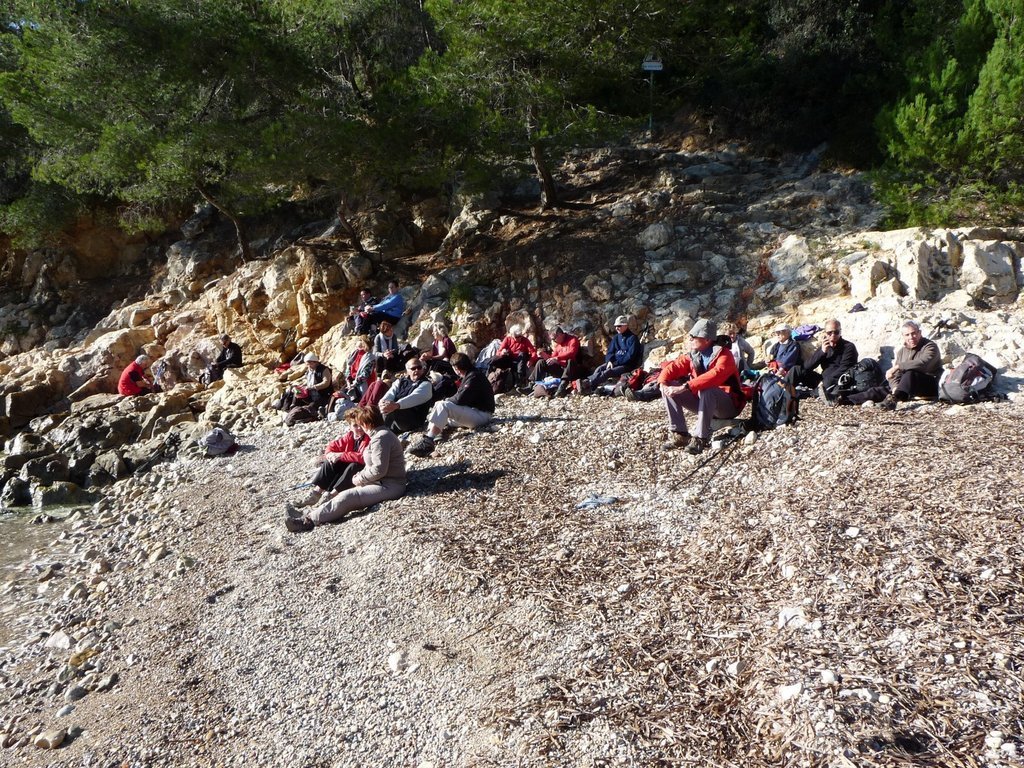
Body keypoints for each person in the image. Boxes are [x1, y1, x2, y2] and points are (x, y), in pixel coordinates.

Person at [285, 406, 406, 532]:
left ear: (366, 423)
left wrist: (360, 478)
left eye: (360, 423)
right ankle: (308, 514)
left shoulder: (381, 438)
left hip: (390, 485)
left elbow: (379, 470)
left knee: (347, 496)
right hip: (380, 482)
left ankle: (308, 521)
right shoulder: (379, 435)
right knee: (343, 494)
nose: (359, 427)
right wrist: (361, 476)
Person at [658, 319, 746, 455]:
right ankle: (680, 434)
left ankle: (700, 438)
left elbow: (714, 375)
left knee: (707, 389)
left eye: (694, 337)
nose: (690, 339)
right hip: (704, 402)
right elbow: (674, 367)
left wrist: (685, 386)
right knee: (669, 386)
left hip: (729, 406)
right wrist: (662, 382)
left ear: (706, 339)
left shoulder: (725, 355)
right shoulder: (694, 354)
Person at [408, 352, 495, 456]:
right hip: (476, 412)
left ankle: (429, 439)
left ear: (456, 368)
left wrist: (446, 400)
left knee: (443, 406)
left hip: (482, 415)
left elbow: (460, 399)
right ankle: (434, 434)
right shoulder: (472, 374)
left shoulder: (473, 377)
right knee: (438, 410)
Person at [843, 320, 942, 409]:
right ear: (903, 336)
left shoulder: (930, 346)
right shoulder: (902, 352)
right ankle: (846, 399)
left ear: (919, 333)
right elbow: (895, 375)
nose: (911, 337)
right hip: (906, 386)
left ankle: (893, 400)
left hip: (929, 384)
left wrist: (898, 366)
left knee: (910, 373)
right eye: (907, 335)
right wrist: (895, 387)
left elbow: (923, 363)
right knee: (878, 390)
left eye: (914, 333)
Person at [294, 408, 371, 508]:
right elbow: (332, 446)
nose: (359, 428)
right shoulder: (350, 436)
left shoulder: (368, 438)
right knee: (331, 462)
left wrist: (341, 455)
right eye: (355, 425)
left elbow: (363, 457)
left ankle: (331, 495)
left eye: (361, 425)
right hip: (349, 465)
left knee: (354, 465)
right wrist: (330, 455)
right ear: (350, 427)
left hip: (362, 468)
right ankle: (316, 493)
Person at [790, 318, 858, 401]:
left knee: (830, 382)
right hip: (822, 380)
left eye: (836, 332)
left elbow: (845, 369)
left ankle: (808, 394)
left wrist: (826, 381)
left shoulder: (848, 347)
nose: (833, 335)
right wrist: (821, 352)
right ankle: (782, 389)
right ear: (825, 333)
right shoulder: (825, 346)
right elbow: (807, 366)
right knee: (796, 369)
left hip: (838, 381)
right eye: (830, 333)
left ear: (840, 332)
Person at [578, 315, 642, 394]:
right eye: (615, 326)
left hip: (627, 365)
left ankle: (588, 383)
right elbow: (610, 351)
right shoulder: (616, 338)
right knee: (600, 368)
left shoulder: (632, 338)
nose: (617, 328)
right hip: (615, 363)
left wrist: (615, 363)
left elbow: (630, 356)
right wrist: (609, 361)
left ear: (625, 325)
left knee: (608, 372)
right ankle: (591, 387)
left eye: (619, 326)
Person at [379, 357, 433, 434]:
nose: (416, 370)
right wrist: (383, 402)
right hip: (396, 418)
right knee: (382, 406)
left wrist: (396, 405)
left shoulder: (426, 384)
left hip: (413, 420)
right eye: (413, 368)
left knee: (392, 408)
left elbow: (414, 398)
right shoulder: (400, 381)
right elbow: (391, 393)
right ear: (408, 371)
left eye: (419, 367)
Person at [278, 352, 333, 417]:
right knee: (295, 392)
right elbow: (308, 381)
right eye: (307, 364)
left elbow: (326, 383)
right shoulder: (309, 370)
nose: (309, 366)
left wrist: (313, 387)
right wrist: (301, 386)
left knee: (311, 407)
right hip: (311, 395)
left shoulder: (324, 370)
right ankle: (288, 409)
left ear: (315, 362)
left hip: (322, 396)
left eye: (310, 363)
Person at [531, 324, 581, 395]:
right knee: (541, 362)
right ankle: (532, 384)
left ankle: (563, 386)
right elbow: (552, 358)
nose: (554, 341)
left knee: (570, 361)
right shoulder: (558, 346)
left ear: (560, 335)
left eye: (554, 339)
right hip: (561, 369)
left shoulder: (573, 340)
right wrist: (545, 356)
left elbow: (572, 353)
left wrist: (557, 358)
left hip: (572, 370)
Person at [486, 324, 538, 390]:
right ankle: (488, 377)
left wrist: (531, 360)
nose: (519, 338)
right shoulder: (507, 339)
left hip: (520, 361)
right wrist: (502, 352)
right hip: (509, 359)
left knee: (522, 354)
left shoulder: (525, 340)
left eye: (520, 336)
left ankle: (520, 381)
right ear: (512, 335)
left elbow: (533, 352)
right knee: (494, 359)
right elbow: (499, 352)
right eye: (517, 337)